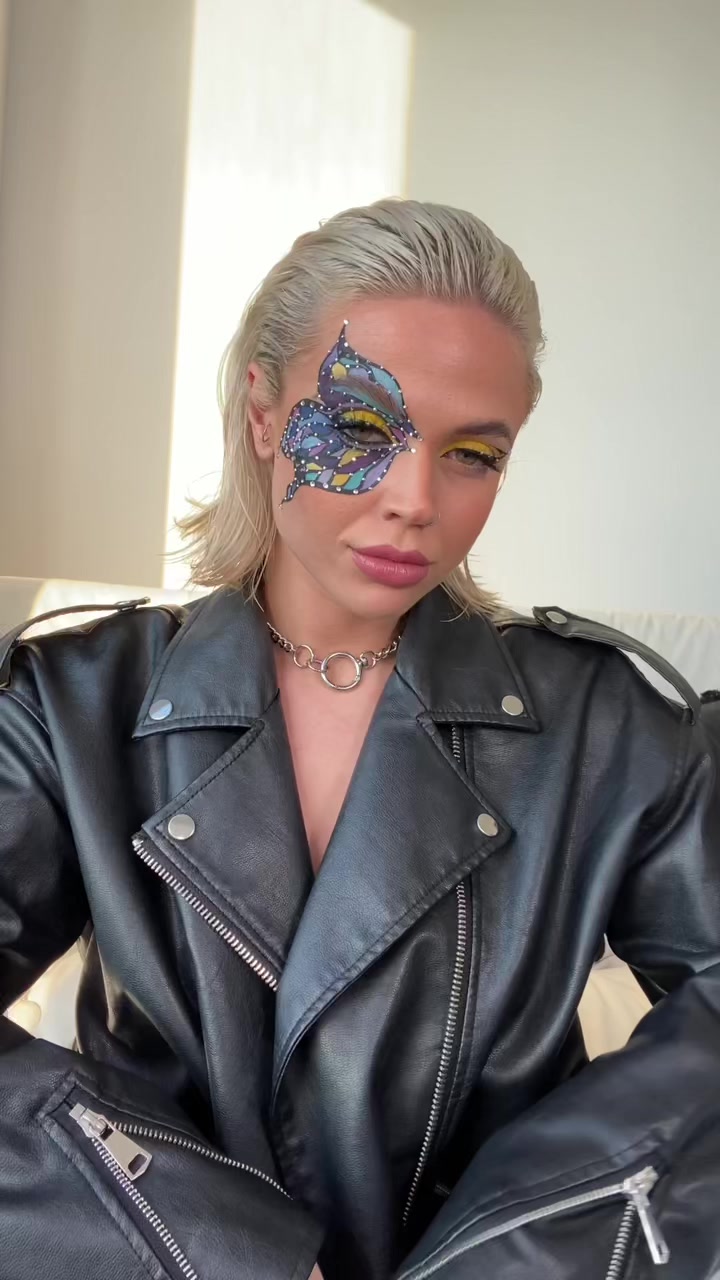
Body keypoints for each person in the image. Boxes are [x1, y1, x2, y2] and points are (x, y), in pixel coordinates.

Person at [1, 199, 719, 1280]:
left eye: (473, 454)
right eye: (361, 431)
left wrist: (522, 1250)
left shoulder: (606, 725)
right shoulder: (69, 706)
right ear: (262, 414)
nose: (415, 500)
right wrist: (205, 1244)